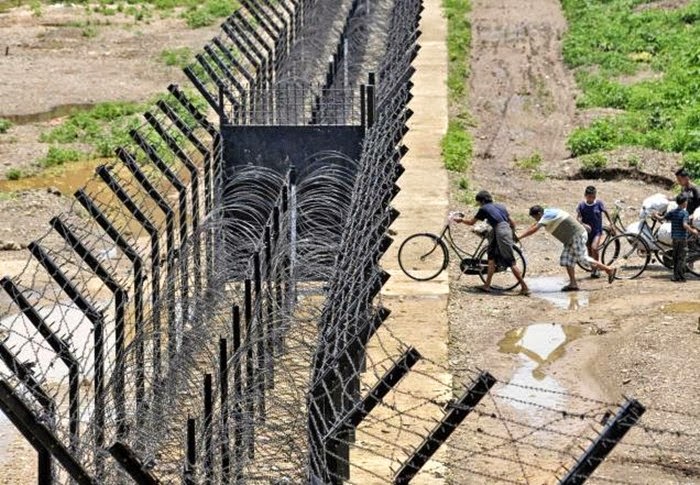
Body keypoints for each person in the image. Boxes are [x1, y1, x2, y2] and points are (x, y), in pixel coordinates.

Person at [518, 205, 617, 291]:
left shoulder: (546, 216)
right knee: (567, 260)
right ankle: (573, 284)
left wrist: (520, 237)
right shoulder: (547, 212)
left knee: (583, 259)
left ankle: (609, 269)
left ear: (539, 213)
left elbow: (535, 229)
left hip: (576, 236)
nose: (535, 219)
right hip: (571, 238)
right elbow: (535, 225)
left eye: (535, 217)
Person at [454, 190, 530, 295]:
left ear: (482, 201)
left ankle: (524, 287)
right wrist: (512, 234)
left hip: (500, 231)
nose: (479, 204)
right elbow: (512, 222)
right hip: (501, 230)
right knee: (491, 258)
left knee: (510, 261)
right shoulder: (500, 206)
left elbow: (471, 222)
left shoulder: (483, 208)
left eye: (479, 202)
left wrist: (461, 220)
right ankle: (487, 285)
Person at [576, 186, 613, 278]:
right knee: (589, 250)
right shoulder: (582, 205)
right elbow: (578, 218)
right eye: (590, 197)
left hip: (597, 231)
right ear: (585, 196)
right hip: (586, 232)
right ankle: (593, 270)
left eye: (593, 196)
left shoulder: (599, 203)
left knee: (594, 248)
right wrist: (583, 224)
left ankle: (596, 269)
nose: (592, 199)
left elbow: (606, 212)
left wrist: (611, 223)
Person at [664, 194, 699, 282]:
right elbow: (685, 225)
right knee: (682, 257)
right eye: (686, 201)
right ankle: (679, 277)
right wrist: (693, 231)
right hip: (682, 239)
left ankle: (676, 276)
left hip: (674, 238)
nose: (687, 203)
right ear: (683, 203)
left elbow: (663, 218)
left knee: (675, 257)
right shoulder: (684, 213)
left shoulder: (673, 212)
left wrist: (655, 215)